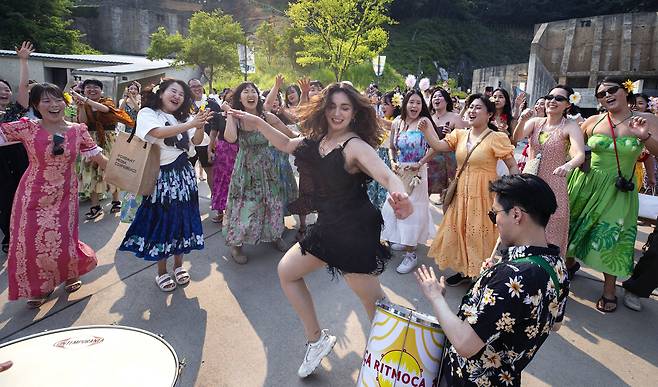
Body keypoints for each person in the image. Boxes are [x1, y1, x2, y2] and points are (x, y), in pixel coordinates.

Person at [227, 81, 412, 378]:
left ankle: (397, 365)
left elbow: (387, 175)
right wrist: (258, 121)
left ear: (355, 113)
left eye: (345, 108)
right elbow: (286, 144)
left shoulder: (355, 146)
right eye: (332, 107)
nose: (337, 113)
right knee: (287, 271)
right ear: (323, 109)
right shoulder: (319, 140)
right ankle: (317, 340)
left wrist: (399, 195)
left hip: (353, 231)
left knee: (374, 304)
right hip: (327, 227)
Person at [416, 174, 570, 387]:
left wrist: (435, 297)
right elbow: (556, 324)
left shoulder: (512, 277)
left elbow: (464, 344)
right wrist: (487, 290)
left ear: (516, 215)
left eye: (494, 213)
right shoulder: (557, 265)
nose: (494, 221)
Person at [0, 83, 107, 307]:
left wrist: (132, 175)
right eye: (46, 101)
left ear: (64, 102)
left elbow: (99, 158)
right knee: (31, 241)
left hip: (65, 193)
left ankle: (70, 273)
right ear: (36, 106)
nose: (54, 105)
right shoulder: (27, 127)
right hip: (32, 193)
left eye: (57, 99)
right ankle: (41, 286)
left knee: (63, 237)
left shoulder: (78, 130)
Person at [566, 77, 658, 313]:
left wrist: (645, 136)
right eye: (600, 94)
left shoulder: (646, 120)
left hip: (619, 190)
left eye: (611, 90)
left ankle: (609, 289)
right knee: (574, 229)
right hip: (586, 184)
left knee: (612, 237)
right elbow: (574, 149)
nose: (605, 95)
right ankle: (567, 267)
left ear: (625, 91)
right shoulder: (594, 121)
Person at [119, 79, 211, 292]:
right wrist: (190, 124)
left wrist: (200, 124)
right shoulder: (148, 113)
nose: (177, 96)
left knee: (182, 221)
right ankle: (161, 271)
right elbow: (156, 133)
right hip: (161, 178)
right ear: (161, 93)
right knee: (163, 223)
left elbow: (197, 141)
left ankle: (179, 266)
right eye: (173, 91)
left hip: (184, 176)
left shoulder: (184, 117)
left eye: (181, 94)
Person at [423, 93, 519, 285]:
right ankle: (465, 270)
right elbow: (439, 146)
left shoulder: (496, 137)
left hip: (484, 194)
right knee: (461, 230)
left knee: (480, 234)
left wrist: (512, 189)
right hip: (461, 193)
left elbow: (512, 166)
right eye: (470, 107)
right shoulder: (460, 134)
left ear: (489, 114)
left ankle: (481, 274)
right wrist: (427, 131)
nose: (472, 111)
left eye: (477, 108)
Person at [222, 82, 292, 263]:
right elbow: (230, 138)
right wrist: (230, 114)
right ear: (240, 98)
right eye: (246, 92)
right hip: (245, 169)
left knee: (272, 202)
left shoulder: (266, 117)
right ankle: (236, 245)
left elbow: (288, 135)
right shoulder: (236, 118)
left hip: (268, 167)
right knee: (244, 205)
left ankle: (275, 235)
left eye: (253, 91)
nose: (250, 94)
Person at [512, 85, 586, 256]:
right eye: (549, 97)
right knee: (525, 223)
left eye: (559, 98)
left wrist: (567, 166)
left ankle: (548, 271)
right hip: (530, 182)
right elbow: (516, 138)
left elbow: (579, 154)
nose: (552, 101)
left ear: (568, 104)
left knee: (551, 229)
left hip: (554, 184)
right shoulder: (535, 122)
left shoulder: (570, 126)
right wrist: (522, 119)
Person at [381, 90, 436, 274]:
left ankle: (411, 254)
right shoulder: (397, 122)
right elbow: (391, 148)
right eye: (411, 102)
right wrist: (393, 162)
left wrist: (420, 164)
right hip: (399, 172)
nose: (414, 106)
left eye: (418, 103)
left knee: (412, 212)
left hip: (417, 173)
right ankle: (401, 239)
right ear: (404, 104)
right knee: (393, 207)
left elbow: (435, 147)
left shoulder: (425, 123)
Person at [71, 79, 134, 219]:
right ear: (84, 90)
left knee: (112, 170)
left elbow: (105, 110)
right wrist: (81, 106)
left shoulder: (107, 102)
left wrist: (85, 100)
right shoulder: (84, 104)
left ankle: (116, 201)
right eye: (88, 88)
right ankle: (95, 206)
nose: (92, 90)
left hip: (108, 139)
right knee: (90, 172)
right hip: (90, 140)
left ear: (101, 91)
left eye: (95, 88)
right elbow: (83, 122)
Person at [0, 42, 32, 254]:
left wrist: (23, 61)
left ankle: (24, 233)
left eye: (6, 89)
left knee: (23, 196)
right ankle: (9, 236)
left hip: (19, 155)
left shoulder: (15, 110)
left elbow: (23, 88)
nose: (4, 92)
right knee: (3, 199)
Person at [427, 87, 468, 202]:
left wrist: (451, 135)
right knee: (426, 191)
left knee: (449, 196)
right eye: (434, 97)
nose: (436, 98)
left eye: (439, 96)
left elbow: (462, 141)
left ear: (446, 100)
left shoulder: (455, 117)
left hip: (450, 160)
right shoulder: (429, 118)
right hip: (432, 159)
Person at [367, 91, 400, 209]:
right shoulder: (384, 118)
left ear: (395, 106)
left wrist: (375, 117)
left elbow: (393, 125)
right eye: (382, 104)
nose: (383, 106)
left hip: (389, 158)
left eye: (386, 104)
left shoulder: (398, 120)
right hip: (378, 156)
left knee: (384, 190)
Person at [188, 78, 223, 191]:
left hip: (207, 143)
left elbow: (220, 122)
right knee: (188, 172)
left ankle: (215, 199)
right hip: (190, 143)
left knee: (211, 172)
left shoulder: (211, 103)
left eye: (198, 86)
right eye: (193, 87)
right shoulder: (184, 104)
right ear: (188, 89)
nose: (197, 88)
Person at [117, 81, 143, 223]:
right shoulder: (123, 100)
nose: (132, 90)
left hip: (138, 131)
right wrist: (125, 99)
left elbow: (139, 111)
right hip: (127, 131)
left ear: (138, 91)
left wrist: (133, 98)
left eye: (134, 89)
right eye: (130, 88)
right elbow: (119, 112)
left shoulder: (140, 101)